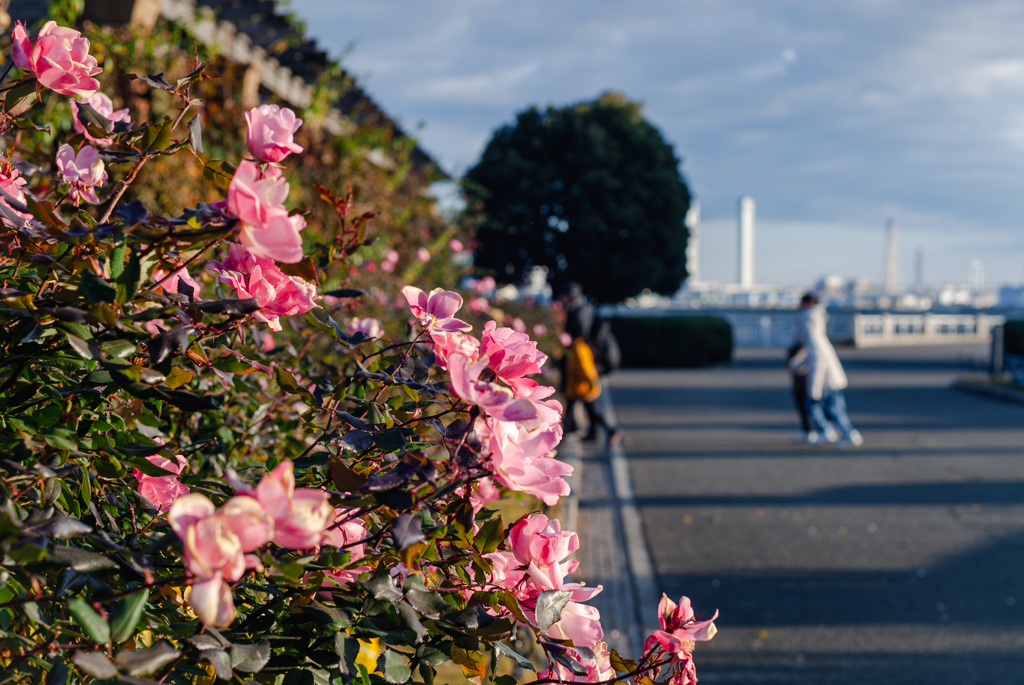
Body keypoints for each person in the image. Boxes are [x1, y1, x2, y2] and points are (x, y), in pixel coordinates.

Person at [791, 293, 863, 448]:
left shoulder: (812, 334)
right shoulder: (818, 332)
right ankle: (842, 433)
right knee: (835, 408)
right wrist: (797, 364)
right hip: (831, 379)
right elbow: (813, 356)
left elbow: (817, 361)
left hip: (825, 381)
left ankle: (836, 432)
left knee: (815, 404)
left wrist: (814, 387)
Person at [560, 283, 621, 444]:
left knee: (584, 401)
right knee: (582, 403)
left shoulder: (577, 315)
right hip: (581, 362)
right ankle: (596, 432)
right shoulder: (585, 308)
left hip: (580, 364)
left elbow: (578, 337)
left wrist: (590, 381)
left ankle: (610, 429)